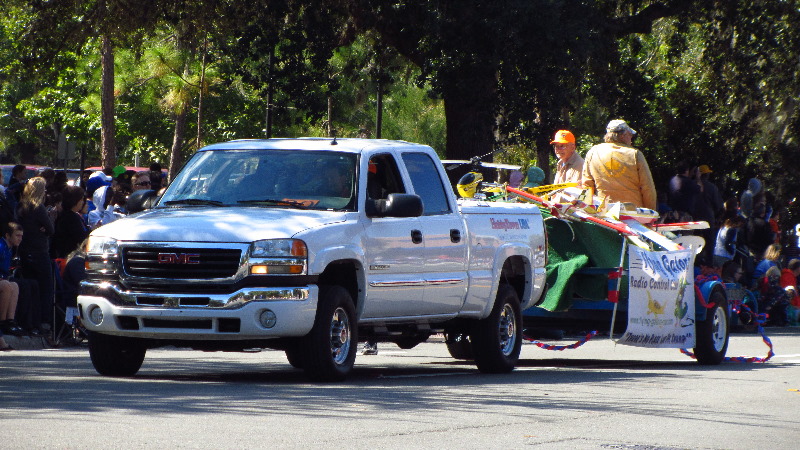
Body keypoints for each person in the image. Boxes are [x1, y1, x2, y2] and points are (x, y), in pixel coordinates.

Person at [581, 119, 657, 209]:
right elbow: (647, 188)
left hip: (604, 212)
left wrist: (583, 208)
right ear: (623, 135)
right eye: (630, 135)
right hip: (632, 212)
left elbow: (586, 185)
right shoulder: (635, 154)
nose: (631, 139)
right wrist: (652, 213)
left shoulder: (593, 152)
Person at [52, 185, 89, 259]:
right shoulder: (71, 218)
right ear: (75, 200)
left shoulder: (66, 215)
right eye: (81, 200)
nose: (82, 202)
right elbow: (81, 238)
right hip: (69, 257)